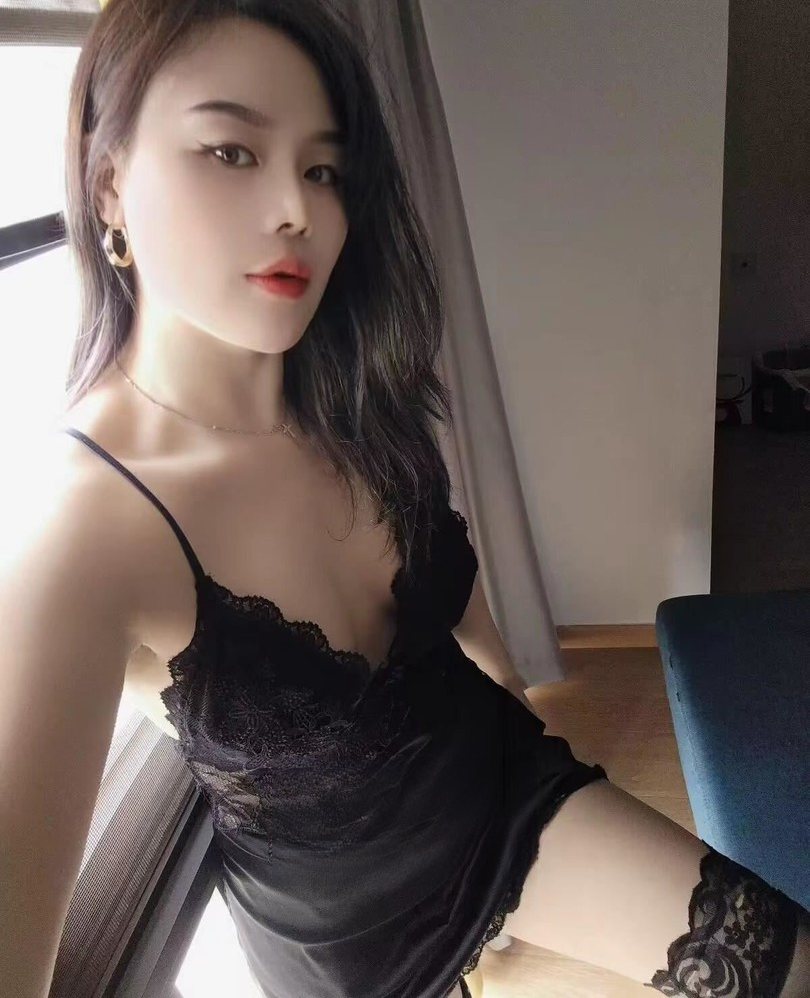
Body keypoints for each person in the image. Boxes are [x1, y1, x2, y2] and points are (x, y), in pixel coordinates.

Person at [1, 2, 808, 997]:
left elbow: (453, 575)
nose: (297, 208)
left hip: (506, 790)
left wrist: (514, 692)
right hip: (349, 945)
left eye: (324, 169)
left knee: (789, 964)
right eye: (231, 151)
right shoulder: (81, 531)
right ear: (108, 183)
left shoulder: (351, 395)